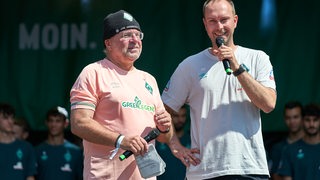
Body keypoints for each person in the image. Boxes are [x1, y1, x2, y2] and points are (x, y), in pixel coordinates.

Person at [161, 0, 277, 179]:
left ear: (235, 21)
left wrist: (237, 67)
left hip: (249, 168)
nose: (219, 26)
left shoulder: (257, 58)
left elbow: (269, 104)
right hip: (204, 171)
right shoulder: (189, 65)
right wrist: (175, 145)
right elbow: (163, 111)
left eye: (224, 19)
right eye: (213, 21)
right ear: (205, 24)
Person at [69, 10, 173, 179]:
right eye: (126, 35)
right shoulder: (93, 72)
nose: (135, 40)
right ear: (108, 43)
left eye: (138, 35)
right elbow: (79, 123)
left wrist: (165, 127)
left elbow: (164, 137)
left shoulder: (149, 79)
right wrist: (120, 140)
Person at [34, 106, 83, 180]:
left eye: (58, 121)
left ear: (66, 123)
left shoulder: (76, 152)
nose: (53, 124)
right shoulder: (37, 151)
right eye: (51, 120)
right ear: (46, 123)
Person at [277, 103, 320, 180]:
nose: (311, 124)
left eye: (315, 120)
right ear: (302, 121)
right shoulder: (290, 150)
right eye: (307, 120)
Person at [0, 103, 37, 180]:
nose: (10, 121)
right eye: (5, 118)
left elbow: (30, 176)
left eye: (12, 118)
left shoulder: (26, 147)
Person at [269, 101, 304, 180]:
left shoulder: (313, 144)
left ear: (303, 118)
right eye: (288, 118)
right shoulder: (278, 148)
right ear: (284, 119)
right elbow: (274, 174)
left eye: (295, 117)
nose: (292, 121)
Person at [156, 104, 191, 180]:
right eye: (176, 116)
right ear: (170, 117)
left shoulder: (192, 139)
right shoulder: (159, 139)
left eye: (183, 116)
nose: (180, 120)